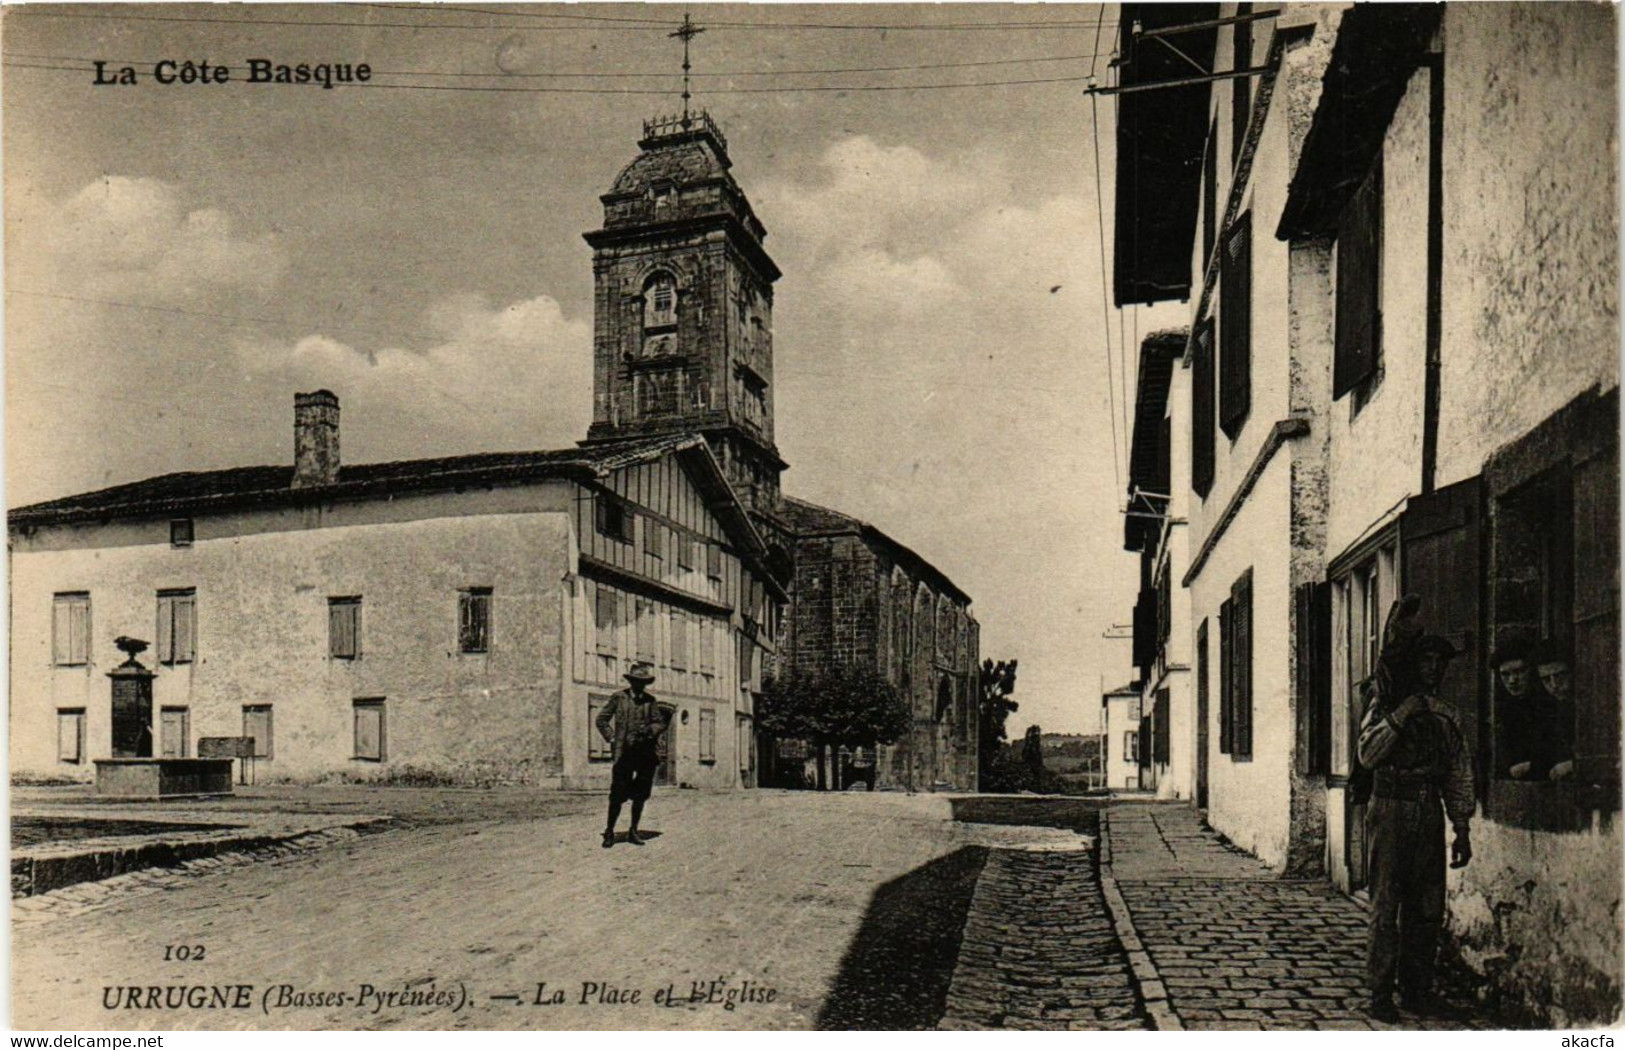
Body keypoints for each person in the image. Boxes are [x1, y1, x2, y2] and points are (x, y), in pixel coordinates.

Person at [1357, 632, 1475, 1022]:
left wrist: (1461, 825)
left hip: (1428, 813)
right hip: (1390, 808)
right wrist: (1401, 714)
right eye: (1426, 660)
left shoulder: (1445, 714)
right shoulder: (1385, 705)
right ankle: (1379, 993)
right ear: (1412, 663)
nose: (1433, 669)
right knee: (1386, 904)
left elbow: (1457, 771)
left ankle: (1417, 990)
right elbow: (1368, 755)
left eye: (1439, 663)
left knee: (1426, 907)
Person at [596, 661, 676, 849]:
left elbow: (660, 723)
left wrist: (650, 730)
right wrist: (612, 738)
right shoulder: (619, 698)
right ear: (631, 681)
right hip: (624, 755)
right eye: (636, 681)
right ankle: (609, 831)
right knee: (617, 795)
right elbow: (601, 720)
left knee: (640, 795)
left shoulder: (650, 701)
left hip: (644, 755)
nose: (639, 685)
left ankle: (633, 830)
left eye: (643, 682)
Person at [1534, 645, 1576, 782]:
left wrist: (1573, 765)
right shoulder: (1553, 711)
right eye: (1546, 680)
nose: (1554, 685)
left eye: (1560, 676)